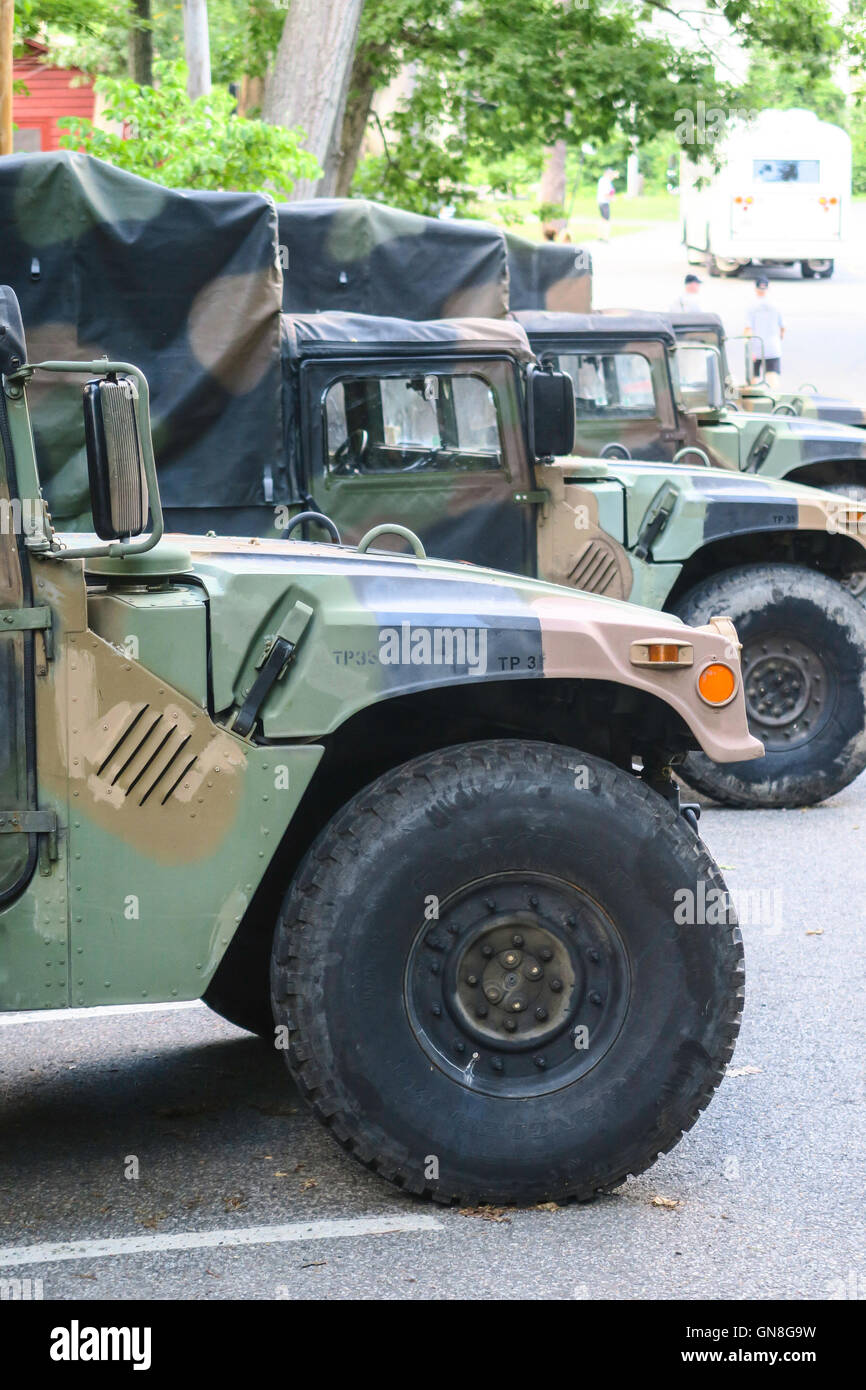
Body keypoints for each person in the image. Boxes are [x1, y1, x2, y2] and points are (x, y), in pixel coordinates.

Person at [746, 277, 784, 387]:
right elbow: (783, 327)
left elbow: (748, 328)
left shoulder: (751, 305)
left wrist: (747, 344)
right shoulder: (776, 304)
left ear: (755, 288)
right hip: (773, 346)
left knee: (754, 376)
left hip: (756, 346)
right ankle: (775, 399)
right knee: (772, 375)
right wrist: (779, 337)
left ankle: (754, 399)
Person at [596, 168, 617, 242]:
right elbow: (606, 193)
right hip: (604, 202)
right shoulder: (606, 181)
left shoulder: (602, 180)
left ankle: (600, 236)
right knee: (607, 220)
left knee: (602, 219)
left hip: (600, 201)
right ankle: (606, 237)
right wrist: (612, 199)